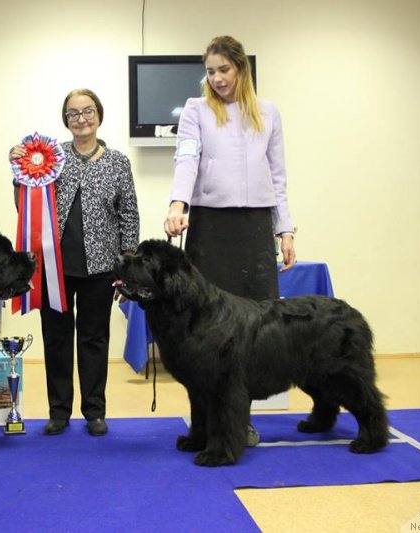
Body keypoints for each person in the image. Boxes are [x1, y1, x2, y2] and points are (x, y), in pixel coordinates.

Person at [163, 36, 297, 446]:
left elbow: (278, 176)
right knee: (206, 334)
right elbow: (186, 158)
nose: (217, 78)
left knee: (253, 332)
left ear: (241, 69)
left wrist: (285, 229)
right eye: (210, 71)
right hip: (211, 227)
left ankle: (241, 422)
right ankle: (203, 424)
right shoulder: (195, 111)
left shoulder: (269, 113)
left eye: (224, 69)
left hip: (255, 229)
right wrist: (176, 203)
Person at [9, 88, 140, 437]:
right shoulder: (52, 158)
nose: (81, 118)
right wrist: (17, 170)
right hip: (55, 268)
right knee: (56, 339)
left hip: (100, 268)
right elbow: (26, 203)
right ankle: (59, 411)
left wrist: (128, 263)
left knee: (95, 339)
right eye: (73, 113)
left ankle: (95, 411)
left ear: (99, 114)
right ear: (65, 120)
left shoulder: (117, 162)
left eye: (87, 111)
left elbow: (129, 213)